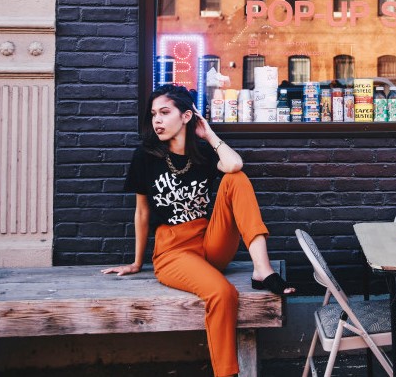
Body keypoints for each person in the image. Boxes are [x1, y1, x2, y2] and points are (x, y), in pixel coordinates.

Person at [103, 84, 293, 377]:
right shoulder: (146, 156)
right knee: (222, 292)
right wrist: (137, 262)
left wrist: (210, 134)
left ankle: (262, 270)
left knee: (236, 179)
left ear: (186, 116)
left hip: (209, 242)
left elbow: (234, 163)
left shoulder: (203, 154)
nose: (157, 121)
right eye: (154, 114)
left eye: (165, 113)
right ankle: (227, 373)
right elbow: (141, 212)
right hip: (174, 252)